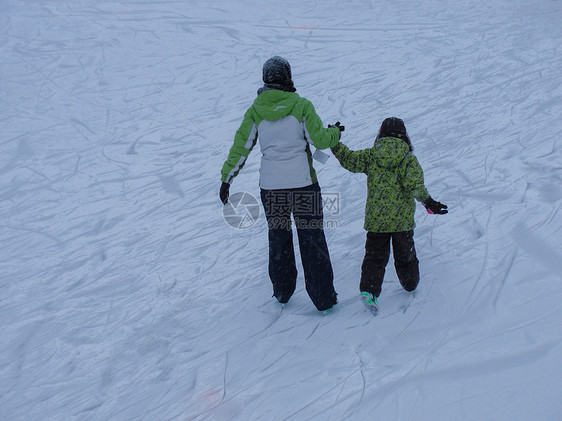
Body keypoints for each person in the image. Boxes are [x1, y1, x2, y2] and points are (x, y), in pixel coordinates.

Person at [219, 56, 344, 313]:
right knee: (312, 240)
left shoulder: (255, 111)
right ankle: (323, 298)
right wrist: (336, 132)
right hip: (303, 186)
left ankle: (283, 292)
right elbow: (320, 140)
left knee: (279, 239)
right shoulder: (301, 106)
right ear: (287, 77)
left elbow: (240, 148)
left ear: (266, 79)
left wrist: (226, 178)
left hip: (272, 189)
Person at [330, 117, 447, 304]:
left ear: (381, 134)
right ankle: (410, 284)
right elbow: (415, 185)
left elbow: (349, 160)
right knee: (405, 256)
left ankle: (369, 290)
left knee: (374, 258)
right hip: (402, 222)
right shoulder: (408, 159)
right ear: (405, 136)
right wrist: (429, 203)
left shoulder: (371, 155)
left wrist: (334, 142)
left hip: (377, 221)